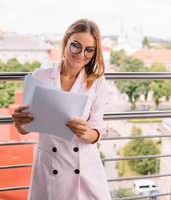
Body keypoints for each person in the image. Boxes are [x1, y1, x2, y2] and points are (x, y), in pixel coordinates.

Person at [12, 19, 111, 200]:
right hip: (49, 164)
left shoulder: (97, 81)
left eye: (89, 50)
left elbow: (97, 131)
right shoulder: (40, 76)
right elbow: (24, 129)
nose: (81, 54)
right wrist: (20, 122)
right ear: (66, 42)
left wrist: (85, 132)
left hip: (85, 168)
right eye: (76, 46)